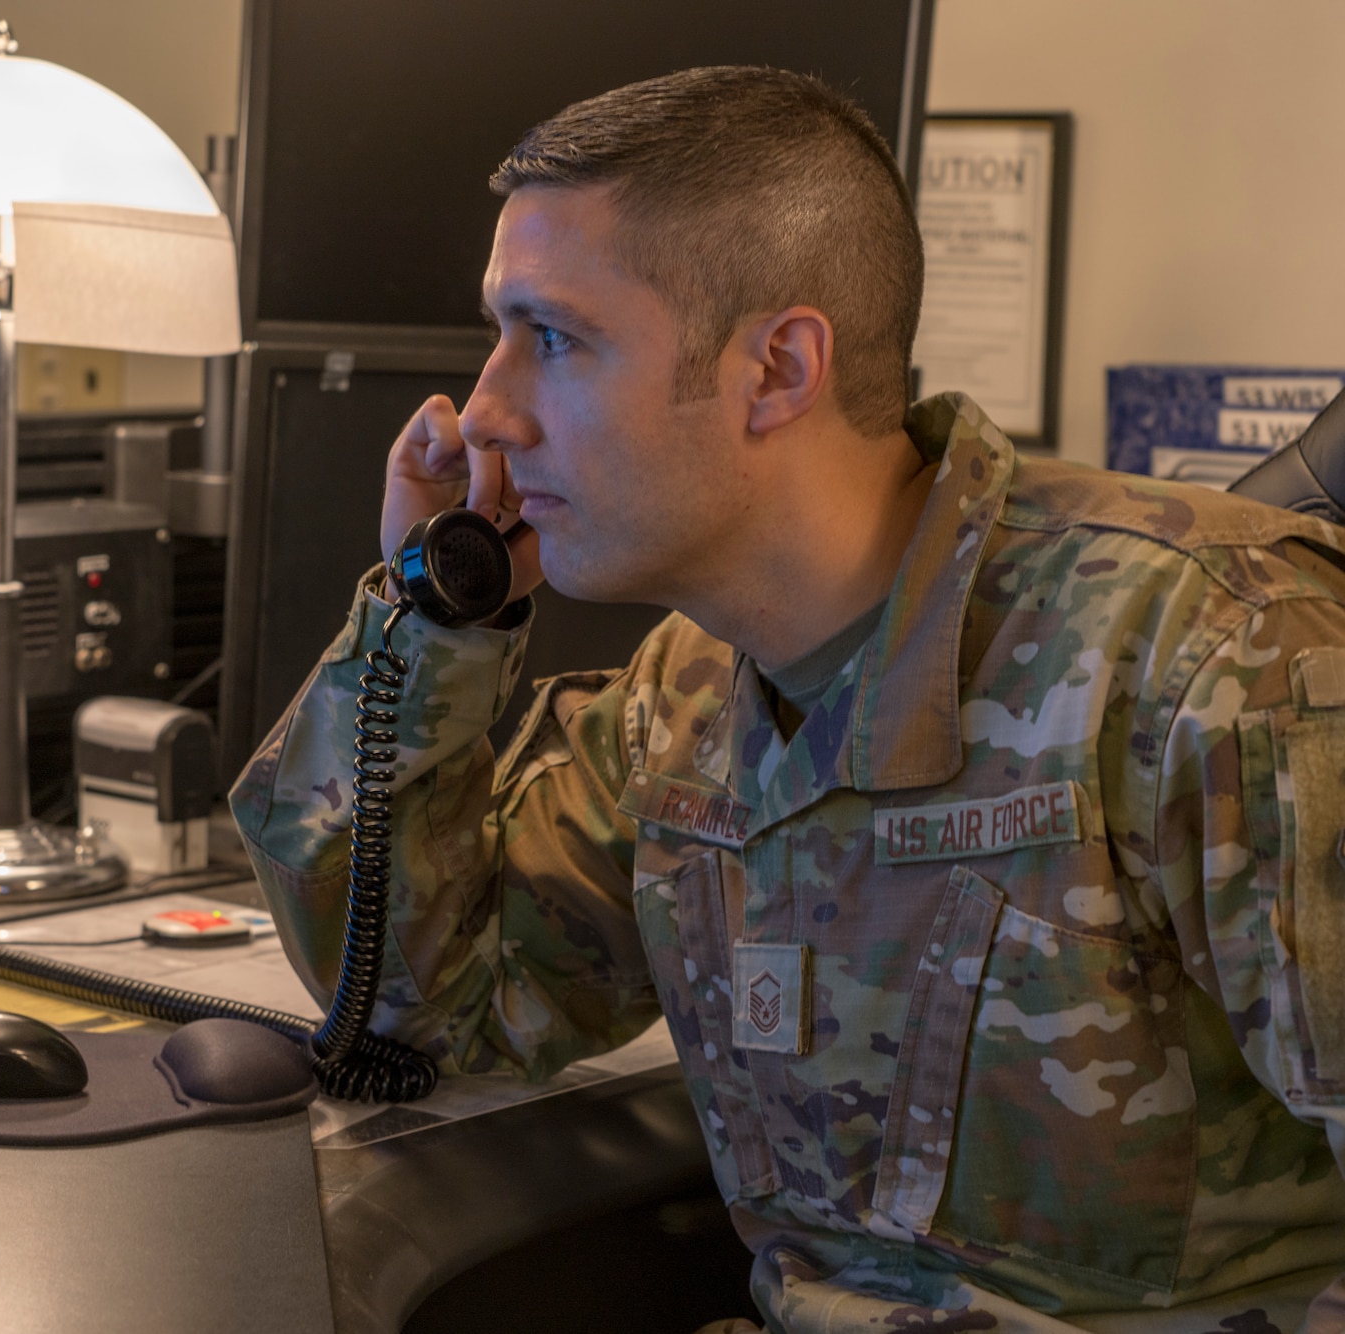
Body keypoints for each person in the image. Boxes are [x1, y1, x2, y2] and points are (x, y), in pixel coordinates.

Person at [231, 66, 1345, 1333]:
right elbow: (422, 1013)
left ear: (775, 368)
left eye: (552, 337)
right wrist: (432, 619)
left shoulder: (1218, 657)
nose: (484, 407)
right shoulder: (688, 696)